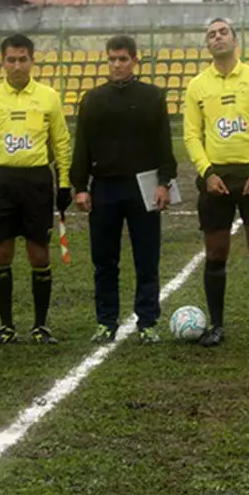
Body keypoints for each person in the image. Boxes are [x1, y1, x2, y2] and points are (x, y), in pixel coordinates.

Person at [183, 18, 249, 346]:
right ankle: (216, 326)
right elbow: (191, 134)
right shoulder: (197, 86)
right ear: (207, 44)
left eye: (222, 32)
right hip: (216, 179)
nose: (217, 37)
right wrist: (207, 172)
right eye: (211, 34)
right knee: (215, 254)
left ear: (235, 39)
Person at [72, 34, 178, 345]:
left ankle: (147, 322)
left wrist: (164, 182)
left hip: (143, 187)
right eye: (112, 59)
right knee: (104, 261)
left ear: (135, 60)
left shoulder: (152, 97)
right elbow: (83, 146)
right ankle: (106, 321)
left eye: (123, 59)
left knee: (147, 259)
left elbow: (163, 144)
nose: (117, 65)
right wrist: (80, 186)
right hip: (105, 188)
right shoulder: (92, 99)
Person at [0, 33, 72, 345]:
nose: (17, 65)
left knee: (39, 254)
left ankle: (40, 327)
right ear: (2, 62)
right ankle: (6, 327)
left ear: (32, 60)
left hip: (37, 182)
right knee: (1, 252)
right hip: (1, 183)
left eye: (23, 59)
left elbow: (61, 143)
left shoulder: (48, 97)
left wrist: (65, 183)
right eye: (11, 60)